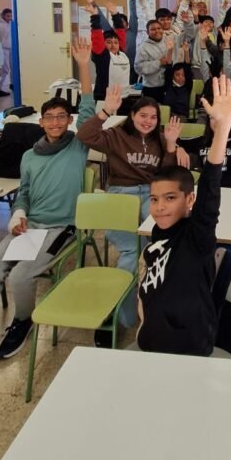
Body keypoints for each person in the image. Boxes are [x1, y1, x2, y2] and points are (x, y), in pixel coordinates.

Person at [0, 54, 95, 372]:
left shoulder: (78, 146)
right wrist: (18, 216)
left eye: (62, 117)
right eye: (51, 118)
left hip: (63, 227)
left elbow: (87, 106)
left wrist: (83, 66)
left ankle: (22, 321)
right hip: (29, 227)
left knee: (20, 276)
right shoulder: (30, 156)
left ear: (69, 120)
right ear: (41, 122)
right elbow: (25, 194)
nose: (57, 122)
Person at [74, 39, 189, 332]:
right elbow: (84, 136)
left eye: (153, 117)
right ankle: (119, 319)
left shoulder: (161, 140)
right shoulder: (114, 135)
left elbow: (166, 174)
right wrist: (105, 112)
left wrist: (174, 145)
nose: (148, 121)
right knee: (130, 255)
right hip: (121, 197)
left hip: (153, 197)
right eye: (142, 116)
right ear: (132, 116)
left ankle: (153, 309)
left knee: (158, 252)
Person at [136, 75, 231, 355]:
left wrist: (222, 131)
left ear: (189, 199)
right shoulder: (159, 234)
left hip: (187, 349)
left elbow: (209, 190)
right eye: (155, 199)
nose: (159, 207)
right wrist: (143, 317)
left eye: (170, 198)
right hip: (150, 343)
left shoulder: (197, 237)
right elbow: (149, 283)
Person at [134, 18, 173, 103]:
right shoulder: (143, 47)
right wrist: (158, 63)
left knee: (166, 114)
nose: (157, 31)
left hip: (168, 87)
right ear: (147, 32)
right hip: (151, 89)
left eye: (159, 28)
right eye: (153, 29)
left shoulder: (168, 42)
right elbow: (138, 68)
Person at [0, 7, 12, 97]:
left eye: (10, 16)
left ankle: (9, 85)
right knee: (3, 70)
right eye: (7, 16)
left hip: (10, 49)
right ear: (3, 15)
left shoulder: (10, 23)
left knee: (9, 69)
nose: (9, 18)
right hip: (2, 49)